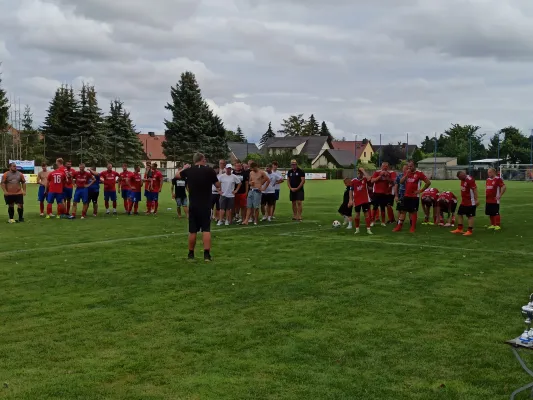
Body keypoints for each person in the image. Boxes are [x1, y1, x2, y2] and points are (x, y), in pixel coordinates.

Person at [177, 153, 220, 262]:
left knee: (192, 231)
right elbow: (218, 185)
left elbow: (177, 176)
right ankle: (206, 255)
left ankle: (191, 254)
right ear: (202, 159)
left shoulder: (189, 170)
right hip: (205, 204)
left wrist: (184, 168)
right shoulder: (209, 170)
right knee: (206, 230)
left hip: (193, 204)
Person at [393, 160, 431, 233]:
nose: (409, 167)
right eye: (409, 166)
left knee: (413, 212)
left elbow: (428, 182)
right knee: (403, 211)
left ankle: (413, 227)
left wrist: (421, 190)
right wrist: (406, 175)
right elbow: (401, 182)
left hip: (414, 196)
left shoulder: (419, 173)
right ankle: (399, 226)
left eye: (411, 166)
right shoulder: (407, 173)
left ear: (414, 166)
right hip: (406, 195)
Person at [451, 171, 478, 236]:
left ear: (463, 175)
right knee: (460, 214)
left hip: (470, 202)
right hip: (464, 201)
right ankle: (459, 229)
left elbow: (475, 189)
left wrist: (476, 199)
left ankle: (470, 230)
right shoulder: (463, 179)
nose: (459, 179)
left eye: (459, 177)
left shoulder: (470, 180)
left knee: (470, 216)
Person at [348, 168, 373, 235]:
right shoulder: (353, 180)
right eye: (359, 173)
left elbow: (369, 179)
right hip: (357, 200)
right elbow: (351, 190)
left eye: (361, 173)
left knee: (366, 214)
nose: (360, 174)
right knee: (357, 215)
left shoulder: (365, 179)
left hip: (365, 199)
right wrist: (350, 199)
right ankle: (357, 229)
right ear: (357, 173)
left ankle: (368, 229)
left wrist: (363, 170)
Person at [370, 162, 394, 226]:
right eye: (384, 166)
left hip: (384, 193)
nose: (385, 167)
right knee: (375, 207)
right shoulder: (377, 172)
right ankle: (372, 221)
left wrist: (387, 177)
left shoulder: (389, 174)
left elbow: (392, 182)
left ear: (388, 167)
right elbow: (372, 181)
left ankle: (383, 222)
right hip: (376, 193)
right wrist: (380, 176)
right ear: (381, 166)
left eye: (386, 166)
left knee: (383, 208)